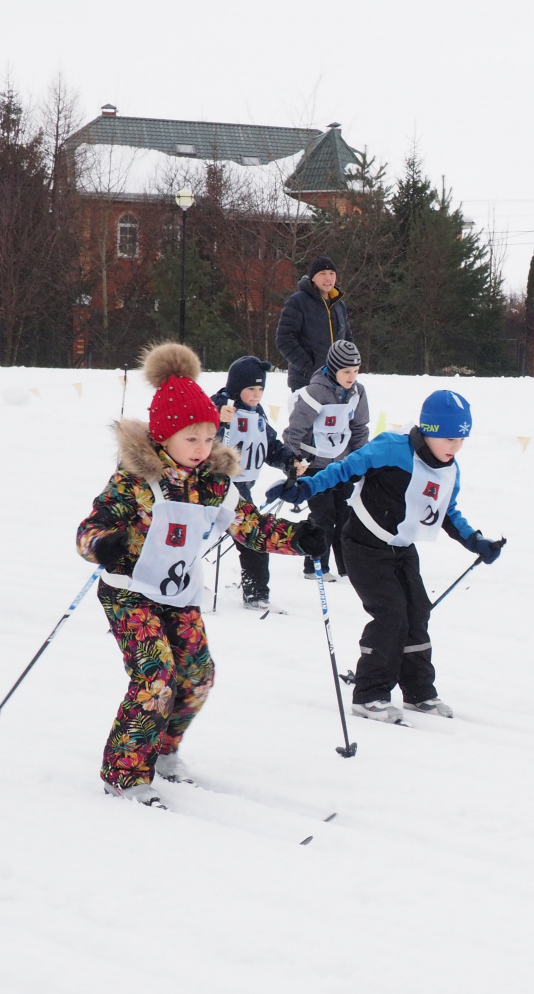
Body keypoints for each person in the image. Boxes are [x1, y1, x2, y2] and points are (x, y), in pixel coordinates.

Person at [76, 342, 326, 809]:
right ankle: (125, 772)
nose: (202, 448)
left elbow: (249, 527)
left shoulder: (214, 483)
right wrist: (102, 545)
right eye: (191, 439)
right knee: (157, 677)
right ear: (164, 436)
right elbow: (88, 530)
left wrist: (298, 539)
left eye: (209, 438)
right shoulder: (134, 480)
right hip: (129, 593)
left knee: (198, 676)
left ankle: (164, 752)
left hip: (179, 594)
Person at [268, 390, 504, 724]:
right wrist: (306, 487)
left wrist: (475, 541)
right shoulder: (392, 449)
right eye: (450, 438)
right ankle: (369, 694)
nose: (455, 447)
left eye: (462, 440)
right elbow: (344, 469)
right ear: (430, 430)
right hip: (363, 543)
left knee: (418, 610)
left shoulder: (450, 471)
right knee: (391, 614)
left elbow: (446, 512)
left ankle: (419, 692)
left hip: (402, 547)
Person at [211, 355, 305, 610]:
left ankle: (256, 593)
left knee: (254, 538)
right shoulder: (220, 406)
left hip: (243, 489)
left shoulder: (257, 413)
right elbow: (200, 431)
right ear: (236, 387)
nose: (256, 394)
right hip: (214, 488)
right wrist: (219, 419)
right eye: (251, 388)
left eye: (260, 388)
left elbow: (270, 446)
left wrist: (290, 462)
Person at [282, 339, 371, 581]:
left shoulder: (357, 393)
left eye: (356, 371)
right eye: (346, 372)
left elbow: (360, 428)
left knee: (345, 516)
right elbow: (293, 432)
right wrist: (293, 462)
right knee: (324, 515)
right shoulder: (315, 393)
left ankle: (346, 568)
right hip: (313, 466)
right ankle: (315, 565)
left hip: (340, 466)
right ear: (333, 369)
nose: (352, 377)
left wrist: (358, 460)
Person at [275, 256, 352, 402]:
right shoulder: (297, 302)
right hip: (305, 382)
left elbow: (347, 339)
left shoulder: (339, 306)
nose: (328, 278)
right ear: (313, 278)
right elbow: (284, 339)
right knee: (306, 424)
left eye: (332, 274)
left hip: (336, 382)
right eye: (322, 273)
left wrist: (348, 368)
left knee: (332, 424)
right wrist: (309, 367)